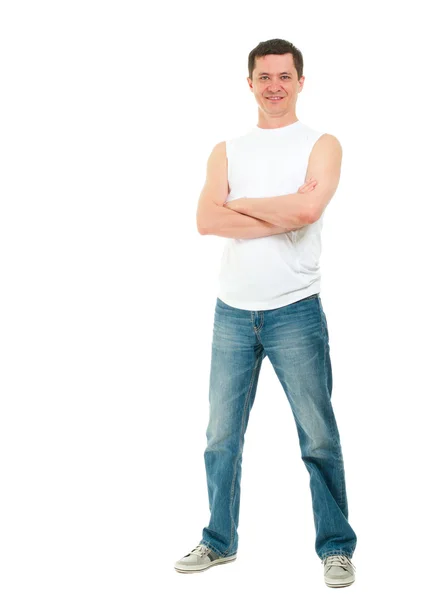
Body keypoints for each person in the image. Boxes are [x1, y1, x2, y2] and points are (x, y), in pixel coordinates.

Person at [174, 38, 357, 588]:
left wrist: (239, 203)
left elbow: (307, 209)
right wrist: (274, 211)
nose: (273, 85)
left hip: (294, 310)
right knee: (220, 436)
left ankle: (336, 547)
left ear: (301, 81)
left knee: (317, 434)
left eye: (284, 75)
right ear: (249, 83)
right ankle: (218, 541)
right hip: (232, 312)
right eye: (263, 76)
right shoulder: (226, 150)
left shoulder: (322, 144)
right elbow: (206, 221)